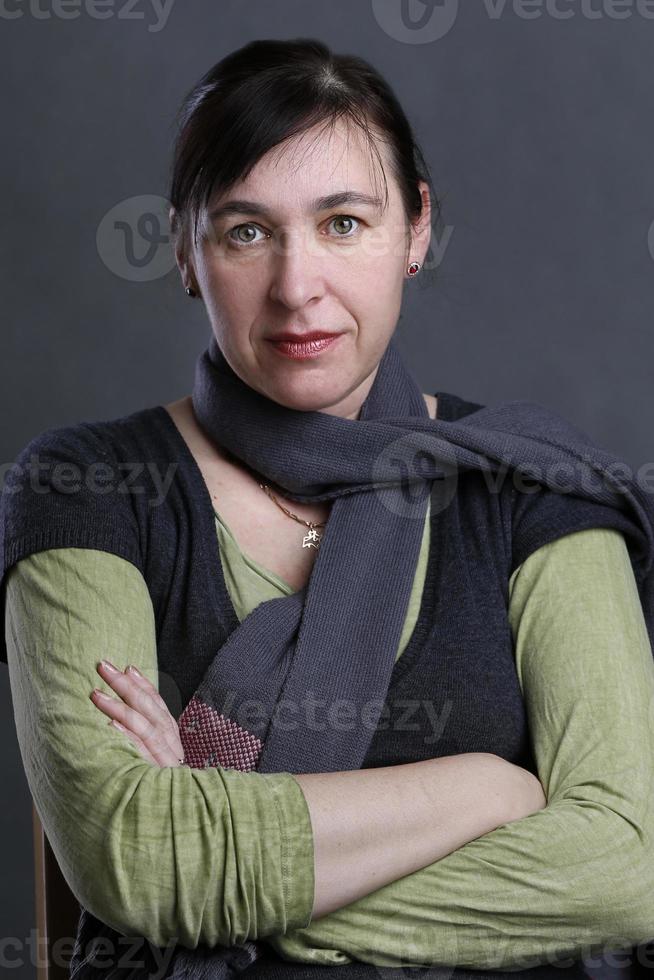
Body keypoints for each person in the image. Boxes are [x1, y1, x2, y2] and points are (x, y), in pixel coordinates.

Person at [2, 37, 654, 980]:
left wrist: (222, 888)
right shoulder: (87, 486)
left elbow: (625, 865)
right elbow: (136, 859)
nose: (297, 286)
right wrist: (483, 790)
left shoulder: (531, 486)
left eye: (344, 223)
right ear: (185, 249)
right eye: (245, 231)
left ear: (417, 231)